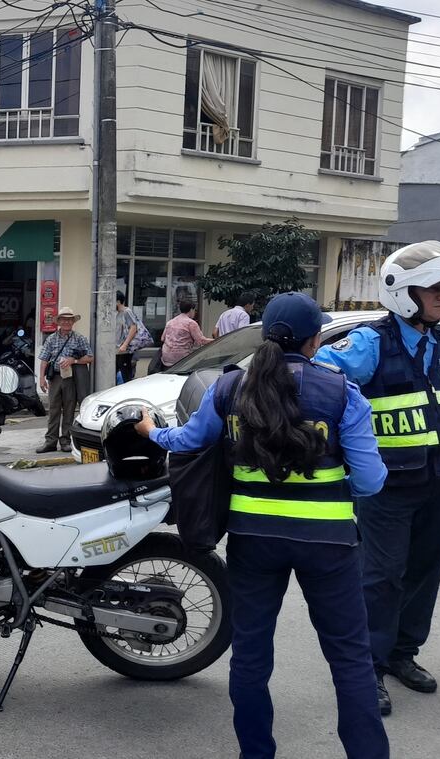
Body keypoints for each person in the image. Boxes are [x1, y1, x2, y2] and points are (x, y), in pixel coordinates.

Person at [135, 292, 389, 759]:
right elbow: (372, 482)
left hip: (253, 542)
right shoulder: (341, 393)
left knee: (251, 658)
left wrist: (152, 432)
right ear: (315, 341)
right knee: (350, 659)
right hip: (329, 545)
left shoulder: (231, 388)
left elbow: (190, 441)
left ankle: (256, 754)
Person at [314, 240, 440, 716]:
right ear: (403, 291)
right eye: (435, 288)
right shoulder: (371, 342)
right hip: (386, 488)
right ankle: (366, 669)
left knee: (423, 573)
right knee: (379, 578)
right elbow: (318, 380)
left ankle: (402, 655)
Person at [36, 306, 93, 453]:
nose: (67, 322)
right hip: (54, 377)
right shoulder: (51, 338)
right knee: (53, 410)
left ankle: (66, 441)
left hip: (70, 378)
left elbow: (90, 358)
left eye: (70, 320)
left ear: (73, 322)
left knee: (69, 410)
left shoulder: (79, 338)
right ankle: (50, 442)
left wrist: (73, 360)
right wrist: (41, 378)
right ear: (59, 321)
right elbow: (44, 359)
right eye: (64, 319)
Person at [160, 300, 212, 368]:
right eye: (194, 310)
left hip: (166, 358)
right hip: (181, 360)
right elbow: (201, 341)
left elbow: (162, 338)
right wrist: (218, 340)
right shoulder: (191, 323)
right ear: (191, 310)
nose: (195, 312)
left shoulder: (170, 322)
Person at [115, 292, 151, 383]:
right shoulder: (117, 313)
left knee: (126, 376)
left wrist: (125, 345)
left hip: (125, 350)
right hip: (118, 350)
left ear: (118, 301)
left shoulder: (127, 312)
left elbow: (133, 328)